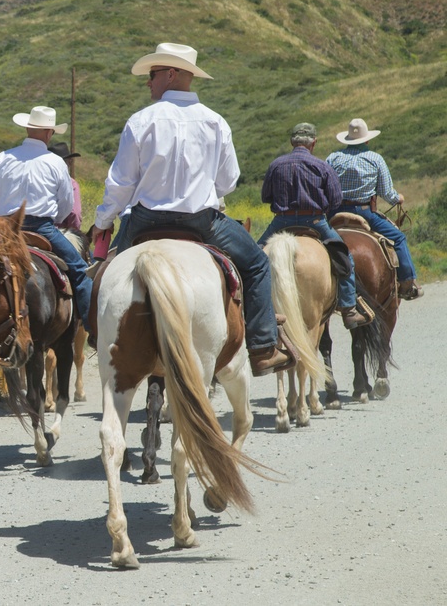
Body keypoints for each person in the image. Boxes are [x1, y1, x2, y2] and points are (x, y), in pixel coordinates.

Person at [92, 42, 292, 377]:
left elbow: (121, 183)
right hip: (202, 223)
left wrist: (103, 221)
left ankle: (99, 336)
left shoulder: (141, 120)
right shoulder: (215, 122)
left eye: (152, 74)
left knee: (104, 275)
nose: (148, 82)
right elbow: (228, 181)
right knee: (257, 265)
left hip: (143, 221)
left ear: (171, 74)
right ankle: (262, 347)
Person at [0, 106, 93, 338]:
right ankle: (91, 327)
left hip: (3, 229)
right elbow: (65, 206)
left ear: (28, 128)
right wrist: (54, 220)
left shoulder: (3, 158)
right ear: (50, 133)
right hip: (43, 229)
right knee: (81, 270)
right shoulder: (56, 163)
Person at [259, 122, 367, 329]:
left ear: (292, 142)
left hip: (282, 221)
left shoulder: (276, 165)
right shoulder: (322, 166)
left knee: (253, 257)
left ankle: (251, 309)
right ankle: (349, 309)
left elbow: (266, 197)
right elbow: (335, 200)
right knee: (344, 258)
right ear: (314, 143)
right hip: (315, 222)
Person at [326, 118, 422, 300]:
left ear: (347, 139)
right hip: (364, 213)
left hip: (335, 212)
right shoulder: (375, 159)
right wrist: (398, 198)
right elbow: (387, 193)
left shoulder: (333, 158)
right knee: (399, 238)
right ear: (367, 139)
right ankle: (408, 282)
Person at [49, 141, 82, 231]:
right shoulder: (71, 184)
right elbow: (75, 213)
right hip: (58, 231)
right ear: (68, 163)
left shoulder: (41, 179)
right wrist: (75, 232)